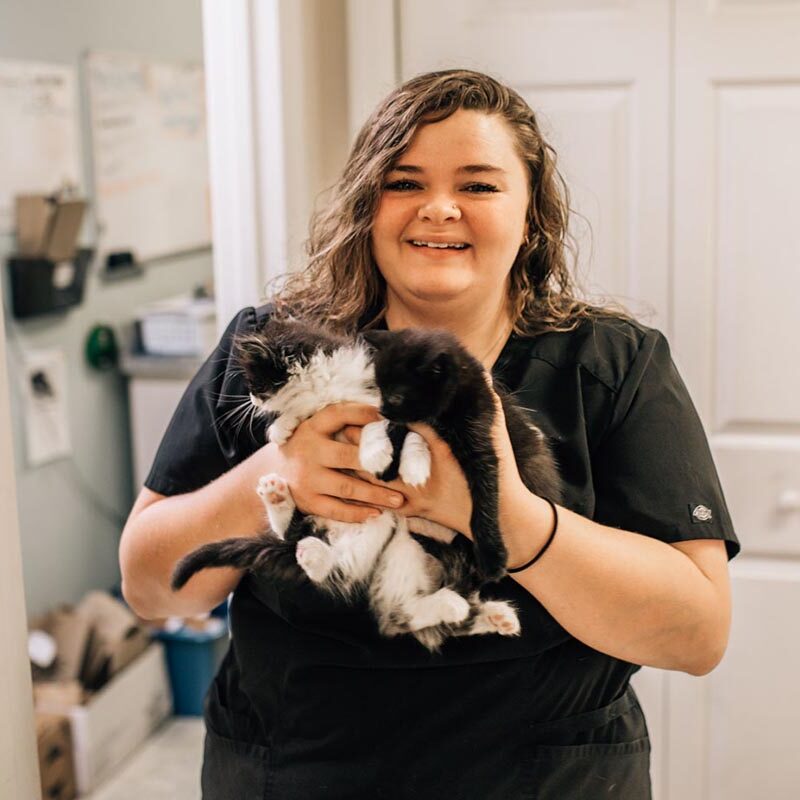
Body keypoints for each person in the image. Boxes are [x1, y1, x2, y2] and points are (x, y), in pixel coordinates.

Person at [119, 69, 739, 799]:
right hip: (293, 774)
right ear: (366, 207)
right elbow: (152, 591)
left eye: (478, 185)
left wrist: (508, 515)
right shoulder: (274, 349)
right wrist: (277, 477)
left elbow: (697, 635)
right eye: (404, 182)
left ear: (531, 216)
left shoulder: (612, 365)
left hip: (547, 780)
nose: (439, 208)